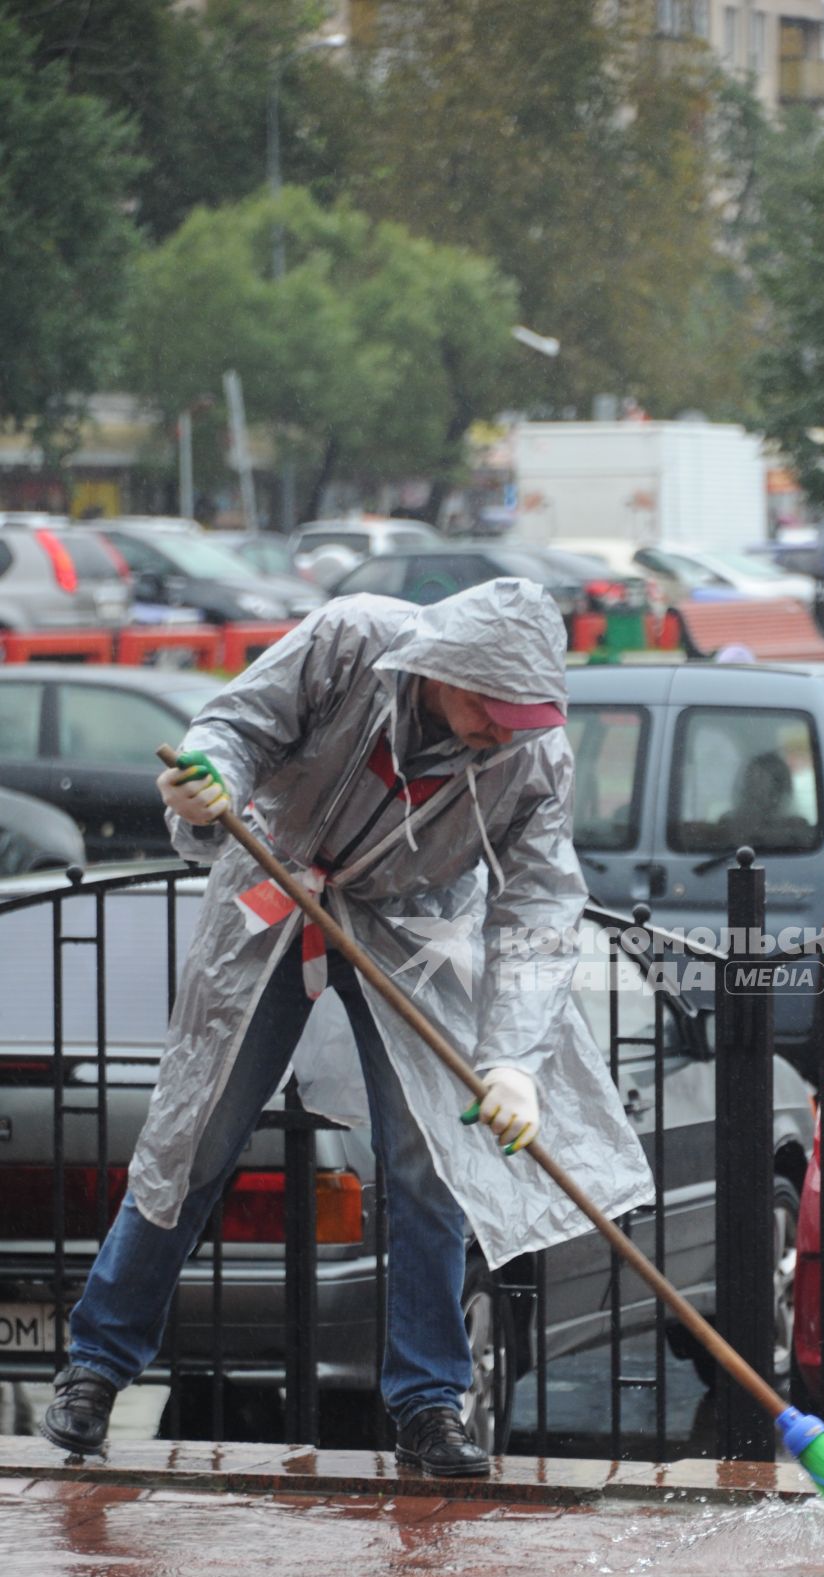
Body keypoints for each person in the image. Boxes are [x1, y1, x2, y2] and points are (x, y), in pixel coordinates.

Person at [40, 579, 653, 1472]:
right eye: (490, 710)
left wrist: (513, 1061)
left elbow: (539, 908)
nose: (498, 732)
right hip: (273, 886)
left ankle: (428, 1401)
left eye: (519, 718)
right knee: (195, 1133)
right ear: (442, 670)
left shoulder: (531, 755)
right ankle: (95, 1366)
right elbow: (240, 728)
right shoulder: (350, 639)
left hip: (413, 930)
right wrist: (209, 777)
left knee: (429, 1159)